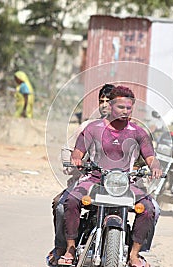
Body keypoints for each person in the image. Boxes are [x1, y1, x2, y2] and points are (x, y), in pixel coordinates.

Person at [46, 85, 161, 266]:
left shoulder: (138, 132)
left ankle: (134, 254)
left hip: (125, 181)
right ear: (112, 106)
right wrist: (77, 159)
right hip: (94, 179)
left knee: (149, 209)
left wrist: (155, 166)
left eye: (128, 108)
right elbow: (77, 152)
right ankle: (70, 248)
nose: (125, 111)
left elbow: (151, 157)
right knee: (70, 201)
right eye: (120, 107)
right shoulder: (93, 128)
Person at [46, 84, 114, 266]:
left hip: (116, 186)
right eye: (102, 101)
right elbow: (67, 151)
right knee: (60, 206)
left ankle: (133, 253)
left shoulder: (129, 130)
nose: (105, 105)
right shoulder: (87, 126)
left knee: (148, 208)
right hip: (87, 181)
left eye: (109, 101)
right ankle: (63, 248)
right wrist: (74, 164)